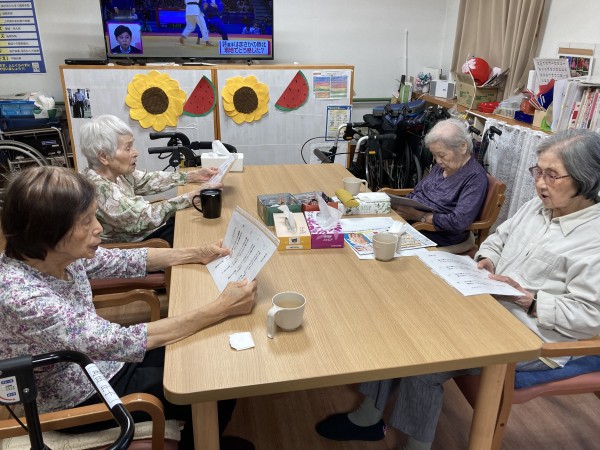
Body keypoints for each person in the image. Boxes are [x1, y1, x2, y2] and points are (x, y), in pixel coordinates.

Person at [315, 129, 600, 450]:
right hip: (488, 303)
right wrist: (488, 259)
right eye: (538, 171)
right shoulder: (539, 207)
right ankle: (369, 415)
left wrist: (530, 300)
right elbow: (498, 238)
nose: (540, 183)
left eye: (552, 175)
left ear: (585, 179)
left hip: (530, 334)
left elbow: (590, 317)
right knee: (402, 319)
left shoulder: (594, 238)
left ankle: (415, 445)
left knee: (428, 361)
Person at [0, 166, 259, 450]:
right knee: (212, 382)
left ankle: (205, 437)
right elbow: (122, 341)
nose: (98, 227)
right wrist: (222, 307)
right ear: (49, 233)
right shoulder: (24, 298)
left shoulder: (52, 255)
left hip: (100, 360)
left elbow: (125, 260)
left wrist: (199, 253)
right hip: (78, 395)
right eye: (86, 221)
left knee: (206, 352)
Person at [79, 115, 221, 245]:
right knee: (200, 236)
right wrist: (191, 197)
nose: (135, 152)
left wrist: (192, 176)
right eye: (128, 148)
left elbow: (148, 180)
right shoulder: (99, 189)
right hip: (139, 244)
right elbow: (144, 218)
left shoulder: (116, 173)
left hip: (151, 232)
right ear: (104, 156)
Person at [392, 118, 488, 247]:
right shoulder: (444, 166)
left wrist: (418, 216)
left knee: (385, 246)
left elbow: (459, 222)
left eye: (442, 155)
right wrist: (402, 206)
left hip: (437, 234)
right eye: (434, 155)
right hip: (412, 223)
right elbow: (419, 190)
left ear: (462, 147)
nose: (437, 161)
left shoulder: (475, 178)